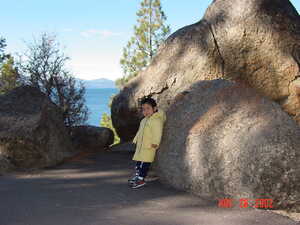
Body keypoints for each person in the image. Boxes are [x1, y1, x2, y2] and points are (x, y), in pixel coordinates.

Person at [128, 96, 167, 189]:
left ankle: (141, 179)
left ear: (155, 108)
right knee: (138, 164)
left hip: (149, 146)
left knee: (144, 164)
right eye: (143, 109)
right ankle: (137, 176)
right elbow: (140, 131)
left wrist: (155, 143)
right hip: (141, 146)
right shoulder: (144, 120)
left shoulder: (156, 120)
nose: (145, 111)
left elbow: (157, 133)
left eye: (148, 109)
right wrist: (135, 139)